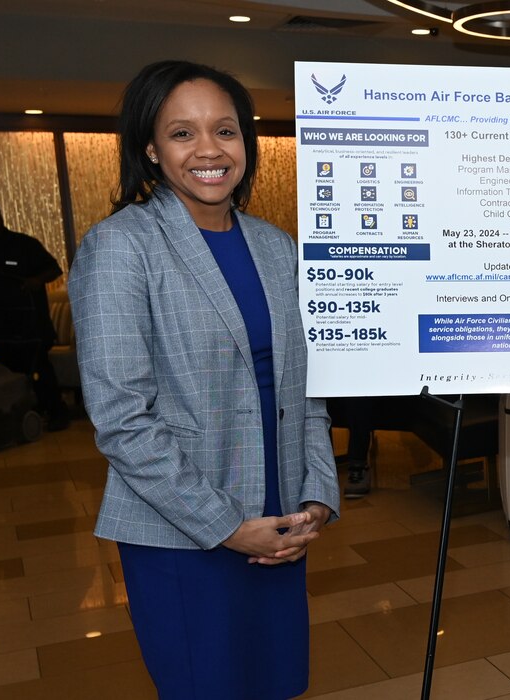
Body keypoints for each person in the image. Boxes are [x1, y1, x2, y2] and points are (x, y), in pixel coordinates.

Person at [69, 61, 339, 699]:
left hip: (280, 519)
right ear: (151, 150)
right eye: (183, 134)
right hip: (182, 529)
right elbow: (122, 418)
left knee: (275, 684)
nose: (210, 150)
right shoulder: (120, 246)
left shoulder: (276, 246)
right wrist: (224, 524)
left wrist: (317, 498)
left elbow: (304, 386)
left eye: (226, 130)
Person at [0, 201, 70, 430]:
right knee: (6, 376)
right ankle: (16, 416)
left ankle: (55, 413)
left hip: (32, 328)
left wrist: (35, 281)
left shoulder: (23, 245)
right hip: (0, 331)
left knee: (40, 372)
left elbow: (54, 269)